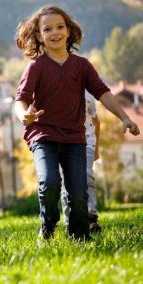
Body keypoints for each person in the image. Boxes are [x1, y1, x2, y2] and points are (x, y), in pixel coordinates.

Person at [14, 5, 140, 242]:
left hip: (74, 138)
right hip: (44, 136)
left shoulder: (81, 66)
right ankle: (48, 226)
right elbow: (20, 99)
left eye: (60, 27)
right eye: (48, 29)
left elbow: (103, 93)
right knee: (49, 182)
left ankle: (79, 237)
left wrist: (125, 117)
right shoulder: (36, 66)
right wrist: (23, 115)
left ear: (69, 31)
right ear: (40, 35)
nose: (55, 32)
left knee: (79, 194)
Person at [61, 91, 102, 233]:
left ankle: (91, 218)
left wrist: (96, 149)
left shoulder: (88, 93)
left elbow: (96, 122)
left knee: (87, 175)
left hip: (87, 141)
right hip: (63, 142)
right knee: (67, 182)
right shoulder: (58, 87)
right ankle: (69, 221)